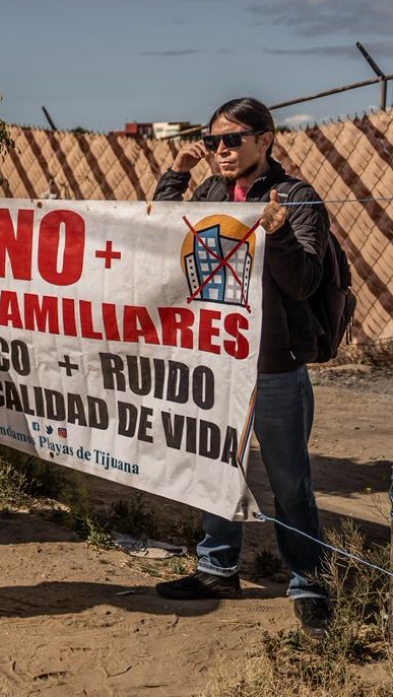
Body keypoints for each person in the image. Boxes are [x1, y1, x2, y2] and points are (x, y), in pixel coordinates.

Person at [153, 97, 333, 638]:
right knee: (215, 467)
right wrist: (176, 175)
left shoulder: (297, 197)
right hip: (216, 361)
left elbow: (305, 282)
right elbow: (159, 234)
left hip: (274, 364)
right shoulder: (210, 192)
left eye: (233, 139)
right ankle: (217, 569)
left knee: (289, 482)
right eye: (214, 142)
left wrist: (279, 232)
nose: (222, 151)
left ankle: (309, 583)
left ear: (265, 139)